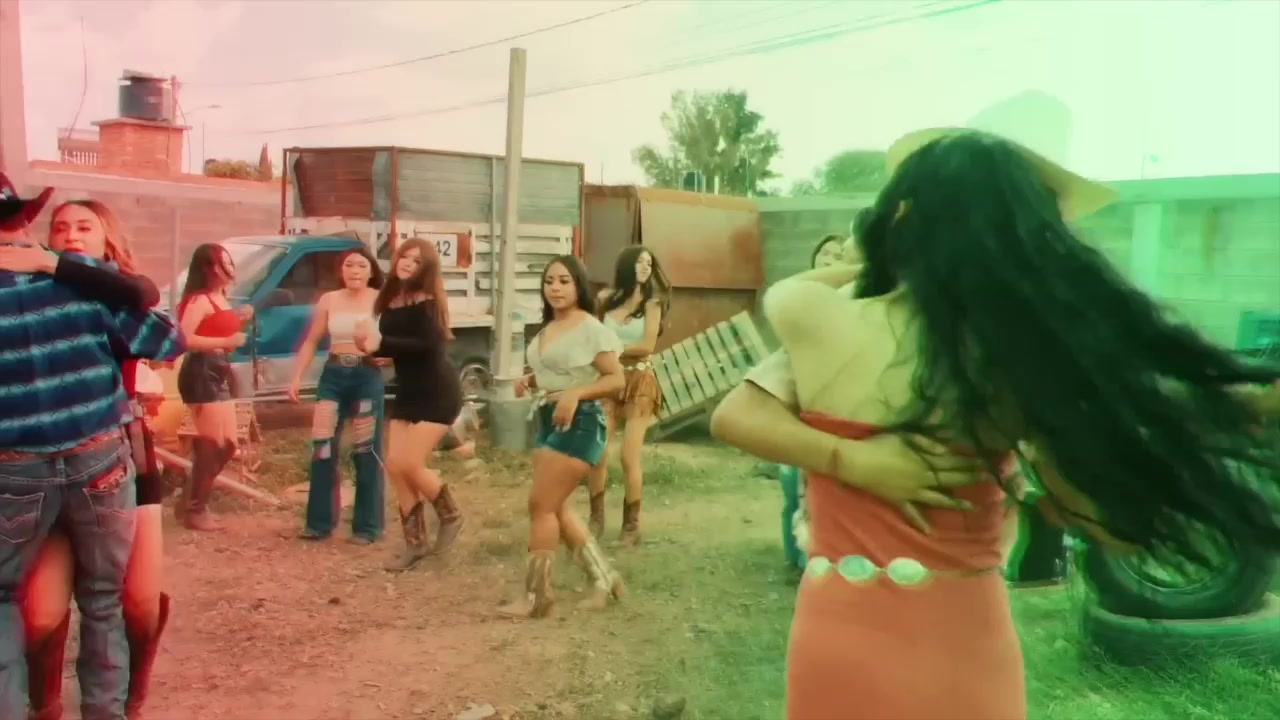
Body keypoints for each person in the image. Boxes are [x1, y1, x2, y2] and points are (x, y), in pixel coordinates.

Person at [714, 128, 1280, 719]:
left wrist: (879, 255)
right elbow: (1109, 527)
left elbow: (791, 294)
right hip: (961, 642)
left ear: (900, 216)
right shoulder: (1016, 359)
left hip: (835, 636)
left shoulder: (808, 315)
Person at [0, 174, 185, 720]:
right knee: (99, 602)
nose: (71, 236)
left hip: (24, 468)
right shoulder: (85, 284)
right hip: (100, 457)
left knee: (8, 601)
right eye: (62, 227)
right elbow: (168, 340)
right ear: (27, 220)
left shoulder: (83, 277)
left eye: (84, 227)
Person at [497, 255, 628, 618]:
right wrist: (531, 379)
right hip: (548, 418)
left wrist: (574, 394)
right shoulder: (550, 327)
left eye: (564, 281)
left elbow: (616, 379)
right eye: (549, 281)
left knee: (540, 505)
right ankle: (604, 578)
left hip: (580, 422)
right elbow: (564, 369)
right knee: (556, 506)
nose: (555, 288)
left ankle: (537, 597)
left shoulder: (590, 328)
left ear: (578, 285)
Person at [353, 238, 464, 571]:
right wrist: (372, 349)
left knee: (410, 463)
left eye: (417, 261)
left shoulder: (428, 301)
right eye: (405, 256)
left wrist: (383, 341)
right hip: (409, 390)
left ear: (425, 269)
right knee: (395, 465)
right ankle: (415, 544)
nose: (407, 263)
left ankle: (450, 514)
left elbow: (429, 344)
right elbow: (399, 347)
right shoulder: (391, 299)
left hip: (437, 391)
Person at [290, 247, 387, 545]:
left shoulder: (382, 299)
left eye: (361, 265)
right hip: (333, 376)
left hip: (366, 374)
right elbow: (311, 340)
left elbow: (391, 343)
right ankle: (318, 524)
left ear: (371, 271)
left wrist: (384, 354)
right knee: (322, 447)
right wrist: (296, 377)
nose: (354, 270)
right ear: (340, 270)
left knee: (365, 449)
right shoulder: (329, 300)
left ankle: (367, 527)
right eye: (349, 265)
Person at [585, 246, 669, 544]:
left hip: (639, 381)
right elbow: (592, 337)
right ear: (626, 265)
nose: (645, 267)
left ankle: (631, 526)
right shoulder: (605, 299)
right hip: (608, 380)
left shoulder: (652, 304)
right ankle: (596, 519)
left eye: (649, 262)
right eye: (640, 262)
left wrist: (611, 350)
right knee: (597, 452)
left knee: (628, 456)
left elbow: (647, 345)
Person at [174, 243, 250, 531]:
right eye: (221, 262)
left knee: (228, 444)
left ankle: (190, 500)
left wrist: (239, 319)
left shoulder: (221, 298)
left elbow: (216, 329)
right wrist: (225, 341)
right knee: (212, 443)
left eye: (229, 261)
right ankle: (195, 509)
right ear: (208, 268)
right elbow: (184, 339)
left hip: (219, 368)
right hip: (201, 370)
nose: (228, 268)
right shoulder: (199, 300)